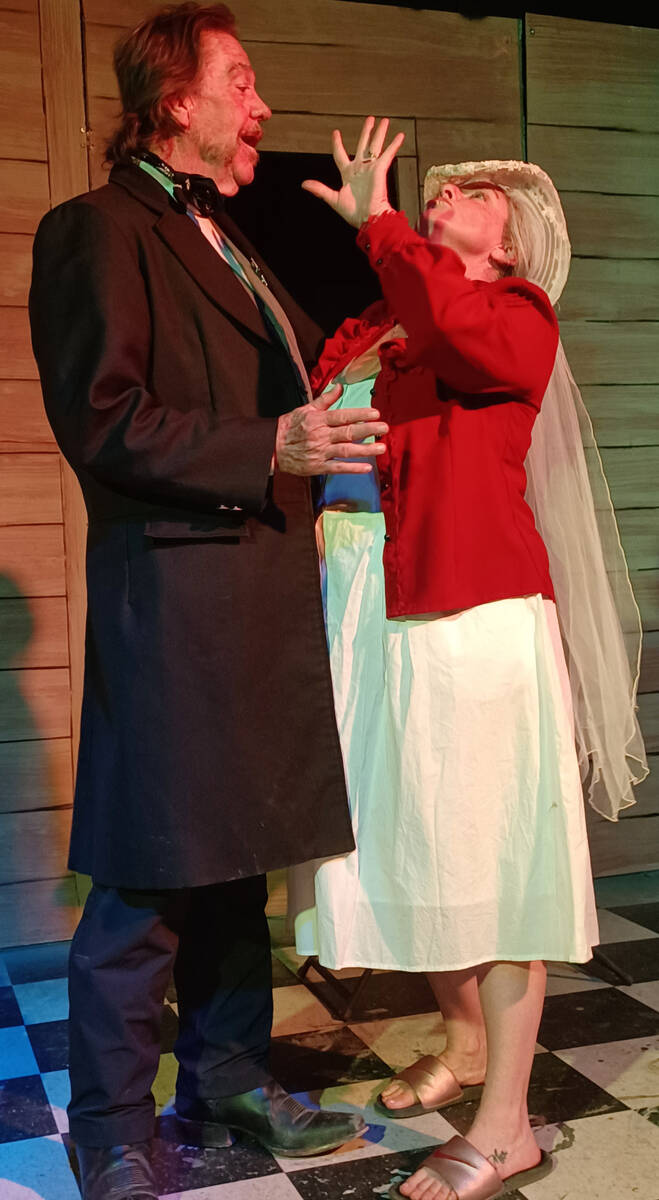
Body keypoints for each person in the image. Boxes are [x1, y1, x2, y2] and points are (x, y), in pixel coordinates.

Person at [27, 7, 392, 1198]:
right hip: (178, 597)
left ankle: (227, 1075)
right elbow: (104, 417)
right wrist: (266, 445)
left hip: (258, 592)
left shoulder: (224, 238)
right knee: (149, 875)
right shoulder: (96, 229)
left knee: (240, 860)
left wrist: (384, 276)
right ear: (174, 100)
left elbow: (302, 379)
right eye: (240, 82)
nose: (262, 106)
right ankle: (109, 1127)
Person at [292, 117, 647, 1200]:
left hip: (469, 616)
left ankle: (506, 1132)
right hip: (374, 609)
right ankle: (465, 1041)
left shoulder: (513, 317)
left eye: (477, 194)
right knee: (412, 841)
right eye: (443, 188)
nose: (449, 193)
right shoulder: (387, 324)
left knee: (488, 862)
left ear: (513, 240)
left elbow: (449, 323)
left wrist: (382, 226)